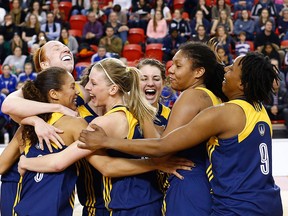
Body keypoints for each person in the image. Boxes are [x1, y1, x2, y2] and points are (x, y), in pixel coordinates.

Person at [78, 52, 284, 216]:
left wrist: (107, 141)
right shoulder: (258, 109)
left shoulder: (222, 111)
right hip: (268, 200)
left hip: (238, 206)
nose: (225, 71)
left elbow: (162, 146)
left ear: (242, 84)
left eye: (231, 69)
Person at [18, 58, 192, 215]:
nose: (87, 88)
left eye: (93, 83)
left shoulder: (105, 123)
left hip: (130, 204)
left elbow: (60, 162)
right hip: (149, 200)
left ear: (113, 89)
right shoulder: (136, 111)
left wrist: (25, 162)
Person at [13, 67, 88, 215]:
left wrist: (24, 162)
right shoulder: (75, 124)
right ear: (54, 93)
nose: (77, 92)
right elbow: (105, 167)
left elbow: (3, 165)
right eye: (73, 87)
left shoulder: (26, 126)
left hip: (24, 208)